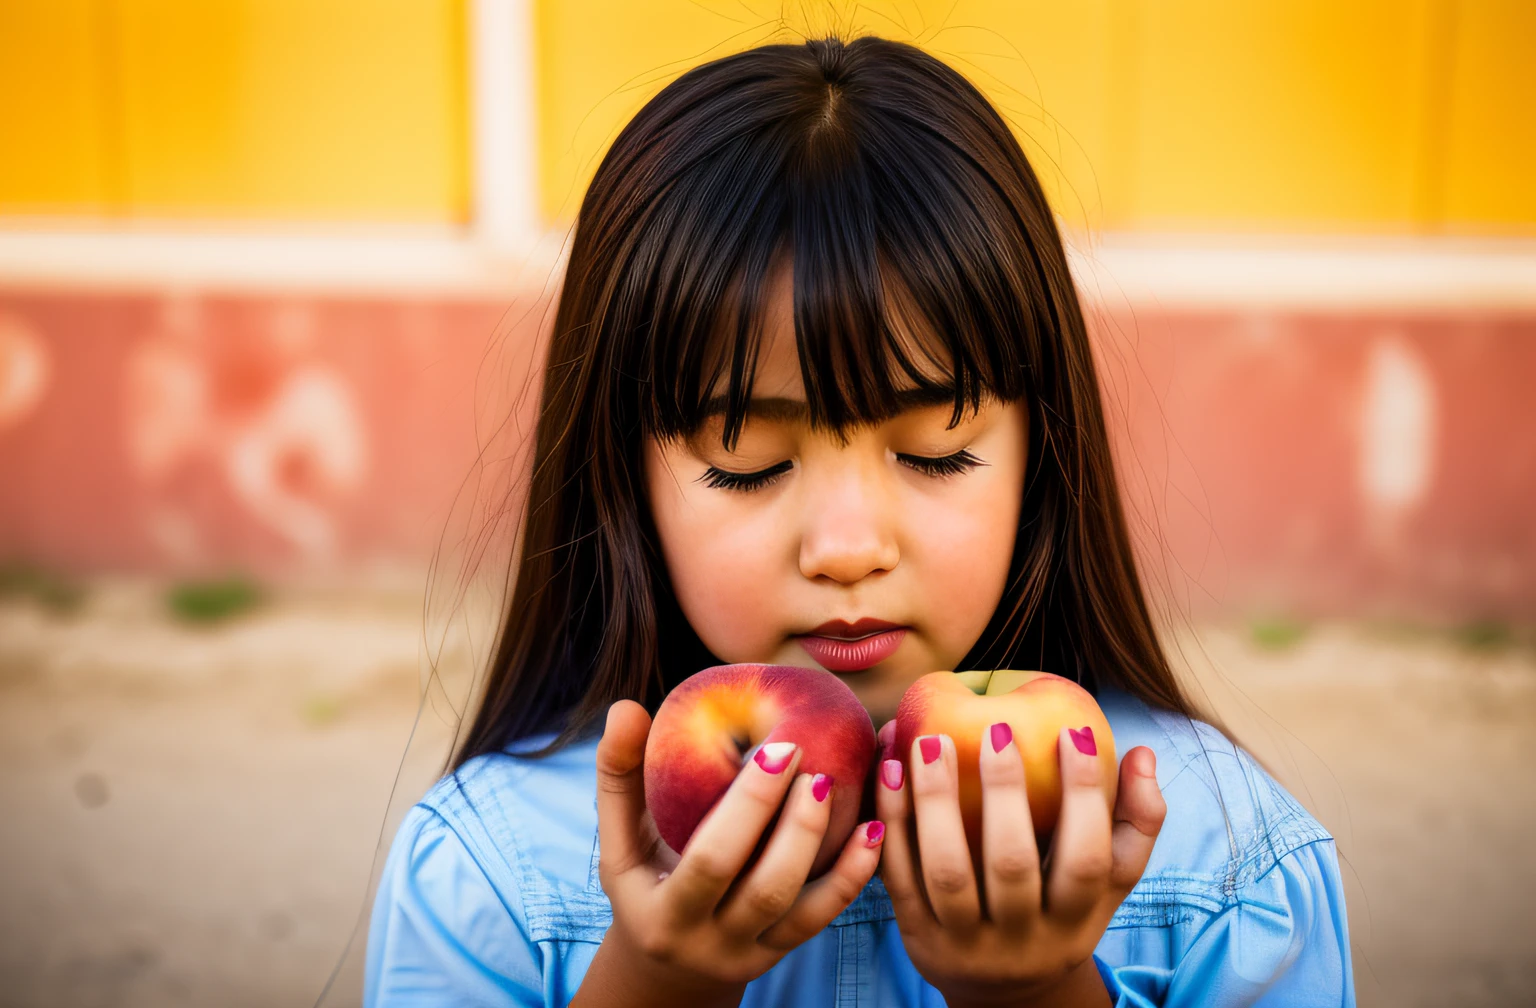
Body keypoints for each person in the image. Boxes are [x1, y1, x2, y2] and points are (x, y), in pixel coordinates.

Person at [364, 35, 1354, 1008]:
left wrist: (1042, 996)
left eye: (934, 450)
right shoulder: (493, 874)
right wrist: (654, 988)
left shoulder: (1220, 864)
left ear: (1042, 457)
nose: (846, 549)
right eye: (748, 458)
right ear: (624, 478)